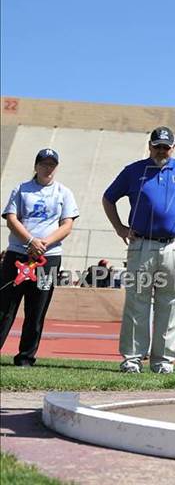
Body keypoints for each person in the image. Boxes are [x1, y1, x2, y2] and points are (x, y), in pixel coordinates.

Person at [103, 126, 175, 374]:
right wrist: (119, 227)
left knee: (170, 304)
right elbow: (108, 198)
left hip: (174, 245)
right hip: (141, 243)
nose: (161, 150)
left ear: (172, 147)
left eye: (166, 146)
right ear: (149, 146)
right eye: (157, 146)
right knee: (136, 302)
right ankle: (132, 359)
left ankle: (163, 361)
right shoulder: (133, 171)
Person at [0, 148, 79, 366]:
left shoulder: (64, 193)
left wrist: (45, 243)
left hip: (48, 259)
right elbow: (11, 219)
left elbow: (68, 224)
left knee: (37, 309)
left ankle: (26, 357)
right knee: (5, 306)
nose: (48, 168)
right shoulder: (22, 189)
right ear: (36, 166)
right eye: (43, 164)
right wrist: (30, 241)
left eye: (51, 164)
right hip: (18, 254)